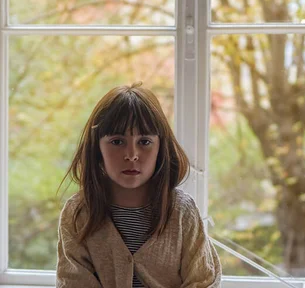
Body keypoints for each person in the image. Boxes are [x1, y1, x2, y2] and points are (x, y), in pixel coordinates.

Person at [56, 82, 222, 288]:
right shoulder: (78, 213)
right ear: (97, 149)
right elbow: (74, 283)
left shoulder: (181, 212)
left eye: (144, 142)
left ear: (160, 148)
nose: (132, 155)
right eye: (117, 141)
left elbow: (203, 280)